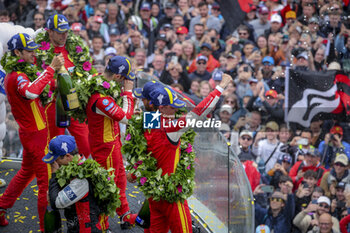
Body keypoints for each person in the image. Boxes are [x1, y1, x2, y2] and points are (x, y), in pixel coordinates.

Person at [132, 73, 232, 232]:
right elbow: (199, 112)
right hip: (171, 198)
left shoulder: (145, 121)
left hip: (153, 197)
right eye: (173, 106)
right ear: (162, 107)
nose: (178, 109)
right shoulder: (171, 127)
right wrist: (221, 86)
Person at [0, 33, 64, 231]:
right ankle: (47, 229)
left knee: (26, 173)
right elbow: (30, 92)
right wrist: (52, 68)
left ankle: (1, 207)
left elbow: (34, 91)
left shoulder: (19, 72)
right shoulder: (16, 76)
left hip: (33, 135)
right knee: (45, 184)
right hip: (35, 137)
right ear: (17, 52)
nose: (33, 53)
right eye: (29, 51)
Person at [86, 55, 136, 229]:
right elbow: (126, 117)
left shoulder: (97, 79)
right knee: (107, 187)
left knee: (120, 179)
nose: (127, 82)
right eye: (126, 79)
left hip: (112, 142)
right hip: (104, 147)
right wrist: (128, 92)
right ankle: (101, 225)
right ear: (118, 77)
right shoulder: (101, 99)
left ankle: (125, 215)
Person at [38, 14, 92, 158]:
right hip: (53, 106)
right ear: (49, 31)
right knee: (55, 147)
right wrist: (53, 83)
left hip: (74, 102)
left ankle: (78, 176)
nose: (64, 35)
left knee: (85, 144)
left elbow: (88, 72)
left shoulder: (76, 48)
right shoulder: (39, 52)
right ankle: (55, 179)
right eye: (59, 32)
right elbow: (34, 79)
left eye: (66, 31)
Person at [43, 135, 110, 232]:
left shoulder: (81, 180)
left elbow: (55, 203)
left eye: (56, 159)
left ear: (68, 156)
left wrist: (54, 173)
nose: (54, 163)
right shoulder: (77, 166)